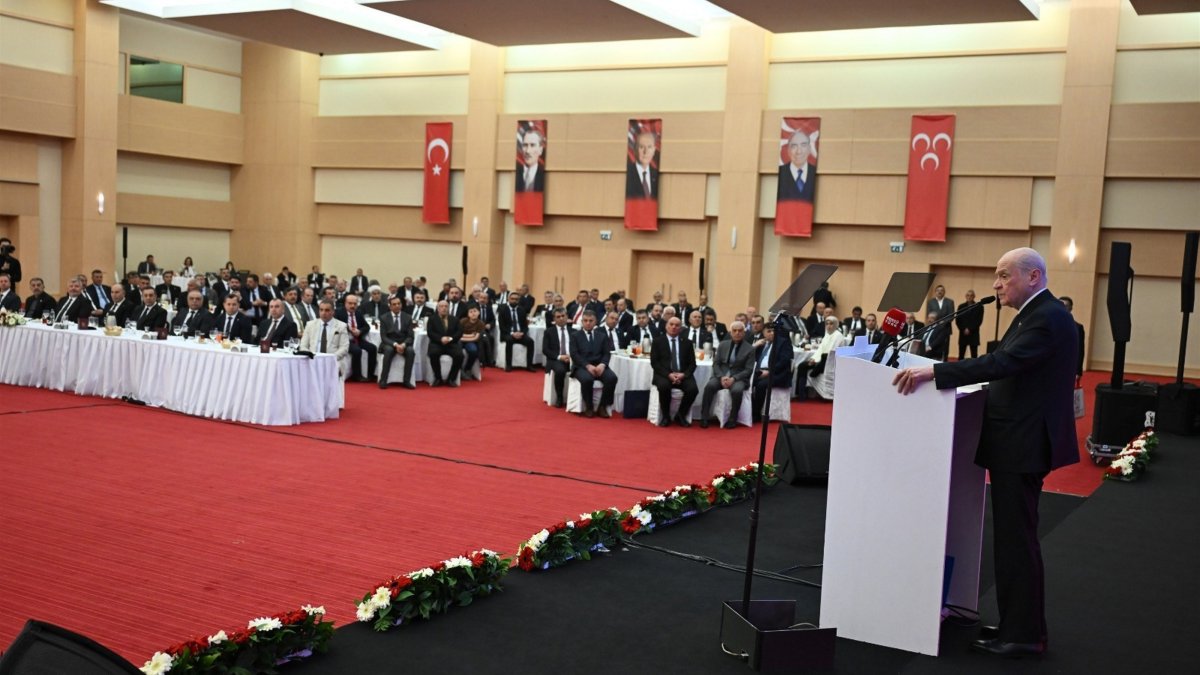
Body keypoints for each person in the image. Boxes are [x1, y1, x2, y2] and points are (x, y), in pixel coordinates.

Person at [893, 248, 1078, 658]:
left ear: (1033, 277)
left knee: (1018, 541)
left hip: (1024, 443)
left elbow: (1003, 362)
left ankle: (1025, 635)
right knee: (1014, 539)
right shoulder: (1037, 315)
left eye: (1003, 276)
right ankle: (1018, 624)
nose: (996, 284)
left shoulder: (1046, 319)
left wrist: (935, 372)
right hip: (1020, 440)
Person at [700, 320, 755, 429]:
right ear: (730, 332)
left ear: (744, 333)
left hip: (738, 378)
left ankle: (732, 418)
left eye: (740, 331)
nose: (737, 333)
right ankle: (704, 417)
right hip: (722, 375)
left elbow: (748, 369)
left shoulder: (750, 349)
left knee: (737, 391)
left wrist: (734, 378)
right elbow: (716, 364)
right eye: (734, 330)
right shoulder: (723, 345)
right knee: (709, 386)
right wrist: (721, 377)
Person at [650, 316, 698, 427]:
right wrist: (669, 375)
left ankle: (680, 415)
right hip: (664, 374)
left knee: (693, 389)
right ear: (666, 326)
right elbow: (654, 363)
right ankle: (666, 416)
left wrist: (684, 375)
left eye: (677, 325)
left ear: (680, 328)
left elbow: (692, 364)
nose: (673, 327)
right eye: (671, 324)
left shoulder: (687, 343)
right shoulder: (658, 341)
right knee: (664, 387)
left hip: (682, 374)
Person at [568, 310, 618, 418]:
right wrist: (587, 366)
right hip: (581, 366)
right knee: (587, 379)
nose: (588, 323)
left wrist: (603, 365)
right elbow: (574, 355)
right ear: (582, 321)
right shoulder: (575, 336)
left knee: (612, 378)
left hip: (599, 365)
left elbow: (606, 353)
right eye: (585, 320)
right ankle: (589, 407)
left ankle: (602, 406)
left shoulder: (602, 336)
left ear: (596, 322)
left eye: (591, 321)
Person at [751, 324, 795, 422]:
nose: (772, 333)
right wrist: (754, 346)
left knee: (760, 385)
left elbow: (784, 361)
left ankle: (756, 413)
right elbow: (749, 357)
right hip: (759, 371)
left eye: (773, 331)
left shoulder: (783, 343)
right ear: (763, 333)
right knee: (746, 383)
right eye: (769, 331)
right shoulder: (761, 343)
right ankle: (749, 410)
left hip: (777, 373)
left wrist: (770, 371)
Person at [796, 315, 845, 400]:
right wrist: (813, 359)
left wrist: (816, 361)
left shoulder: (838, 336)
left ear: (836, 325)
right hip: (821, 360)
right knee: (801, 366)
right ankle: (800, 394)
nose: (828, 326)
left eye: (831, 324)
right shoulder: (827, 334)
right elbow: (820, 349)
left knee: (804, 366)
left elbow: (831, 352)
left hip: (829, 362)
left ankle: (803, 393)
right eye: (827, 324)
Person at [300, 300, 350, 380]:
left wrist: (330, 358)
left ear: (333, 312)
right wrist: (310, 356)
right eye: (321, 310)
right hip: (313, 360)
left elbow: (344, 348)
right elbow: (303, 345)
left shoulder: (341, 326)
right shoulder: (310, 325)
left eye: (327, 310)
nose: (323, 313)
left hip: (333, 361)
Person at [378, 296, 417, 389]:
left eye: (399, 304)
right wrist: (395, 345)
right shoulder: (384, 318)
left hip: (404, 342)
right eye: (394, 304)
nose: (397, 306)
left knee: (411, 351)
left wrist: (403, 345)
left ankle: (407, 381)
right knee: (388, 350)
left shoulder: (407, 317)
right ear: (390, 306)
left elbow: (410, 336)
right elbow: (383, 337)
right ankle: (383, 380)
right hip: (389, 343)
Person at [336, 293, 376, 382]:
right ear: (345, 303)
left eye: (355, 304)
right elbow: (336, 326)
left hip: (357, 338)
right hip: (345, 340)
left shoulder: (358, 313)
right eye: (350, 303)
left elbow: (367, 327)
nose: (352, 306)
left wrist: (360, 331)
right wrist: (349, 329)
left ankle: (370, 374)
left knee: (372, 348)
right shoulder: (339, 313)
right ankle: (357, 375)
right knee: (357, 351)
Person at [426, 300, 463, 387]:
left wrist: (451, 338)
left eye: (446, 306)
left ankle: (451, 378)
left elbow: (459, 332)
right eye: (441, 306)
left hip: (451, 343)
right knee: (433, 354)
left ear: (449, 308)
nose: (444, 308)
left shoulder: (455, 319)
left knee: (460, 355)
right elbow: (430, 333)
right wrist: (440, 339)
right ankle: (438, 377)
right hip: (437, 343)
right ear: (438, 308)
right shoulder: (432, 319)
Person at [542, 309, 574, 407]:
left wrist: (572, 357)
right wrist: (560, 357)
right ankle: (559, 397)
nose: (561, 318)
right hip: (556, 359)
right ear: (554, 319)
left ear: (567, 317)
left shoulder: (574, 331)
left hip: (573, 359)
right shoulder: (549, 332)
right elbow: (545, 350)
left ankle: (576, 398)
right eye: (558, 317)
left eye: (563, 316)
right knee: (560, 371)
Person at [498, 293, 536, 372]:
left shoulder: (521, 310)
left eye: (516, 299)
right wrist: (512, 333)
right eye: (512, 299)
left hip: (520, 334)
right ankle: (508, 365)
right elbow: (502, 326)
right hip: (508, 333)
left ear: (518, 300)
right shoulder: (503, 309)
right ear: (508, 299)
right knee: (509, 340)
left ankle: (529, 365)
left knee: (530, 341)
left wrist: (522, 333)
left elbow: (525, 326)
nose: (514, 301)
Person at [777, 131, 816, 202]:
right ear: (788, 150)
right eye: (794, 146)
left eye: (803, 145)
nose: (799, 151)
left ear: (809, 149)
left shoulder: (815, 173)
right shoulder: (780, 172)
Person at [625, 128, 659, 199]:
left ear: (654, 151)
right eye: (641, 147)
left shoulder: (657, 175)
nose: (645, 152)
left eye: (649, 147)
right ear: (635, 150)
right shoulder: (627, 173)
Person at [1060, 296, 1086, 381]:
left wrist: (1078, 371)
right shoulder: (1048, 324)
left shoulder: (1078, 328)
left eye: (1066, 306)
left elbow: (1080, 350)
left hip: (1068, 366)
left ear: (1070, 308)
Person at [956, 289, 985, 360]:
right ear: (965, 296)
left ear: (974, 296)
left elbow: (979, 321)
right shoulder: (961, 307)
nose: (969, 297)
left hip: (974, 333)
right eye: (968, 295)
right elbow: (958, 320)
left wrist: (970, 329)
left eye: (971, 295)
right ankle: (959, 369)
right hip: (963, 333)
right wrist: (964, 329)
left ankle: (975, 370)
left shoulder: (979, 307)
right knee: (961, 354)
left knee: (974, 354)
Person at [459, 305, 487, 380]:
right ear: (468, 314)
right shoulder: (463, 321)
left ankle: (467, 369)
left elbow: (476, 338)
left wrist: (464, 337)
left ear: (479, 312)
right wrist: (471, 335)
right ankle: (459, 369)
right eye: (471, 312)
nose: (473, 313)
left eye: (475, 311)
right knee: (457, 351)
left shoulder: (481, 324)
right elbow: (458, 335)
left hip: (471, 342)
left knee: (473, 350)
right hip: (460, 341)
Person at [516, 127, 545, 192]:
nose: (528, 151)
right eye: (525, 145)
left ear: (540, 150)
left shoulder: (545, 176)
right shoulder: (515, 174)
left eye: (532, 145)